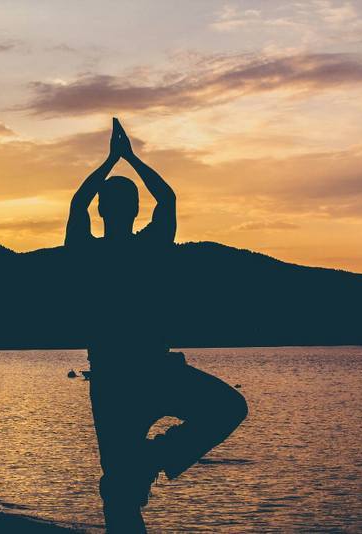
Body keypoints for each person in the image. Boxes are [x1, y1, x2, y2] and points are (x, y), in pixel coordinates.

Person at [65, 118, 248, 533]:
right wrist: (129, 158)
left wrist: (111, 161)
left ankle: (152, 459)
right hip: (139, 375)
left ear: (102, 210)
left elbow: (78, 204)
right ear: (134, 210)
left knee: (120, 489)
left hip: (123, 379)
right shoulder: (148, 247)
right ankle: (154, 459)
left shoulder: (89, 253)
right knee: (226, 410)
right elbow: (166, 198)